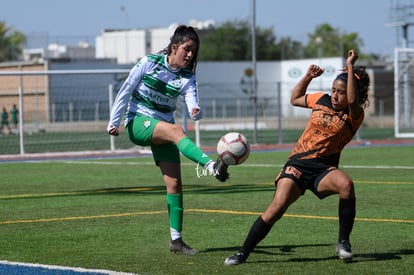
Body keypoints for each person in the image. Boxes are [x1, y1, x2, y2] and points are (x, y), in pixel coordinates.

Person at [224, 49, 370, 265]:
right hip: (298, 164)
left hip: (324, 169)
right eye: (333, 89)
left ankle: (343, 242)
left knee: (346, 185)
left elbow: (351, 100)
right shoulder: (322, 99)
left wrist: (349, 65)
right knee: (278, 206)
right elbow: (295, 98)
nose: (336, 95)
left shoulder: (354, 114)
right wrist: (308, 77)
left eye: (340, 91)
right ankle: (243, 253)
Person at [107, 25, 229, 255]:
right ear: (174, 47)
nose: (191, 55)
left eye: (194, 51)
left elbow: (194, 102)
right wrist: (113, 122)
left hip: (163, 129)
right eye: (187, 49)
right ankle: (212, 167)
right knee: (177, 131)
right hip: (138, 122)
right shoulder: (149, 62)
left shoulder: (187, 76)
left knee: (174, 184)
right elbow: (125, 89)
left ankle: (176, 241)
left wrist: (196, 111)